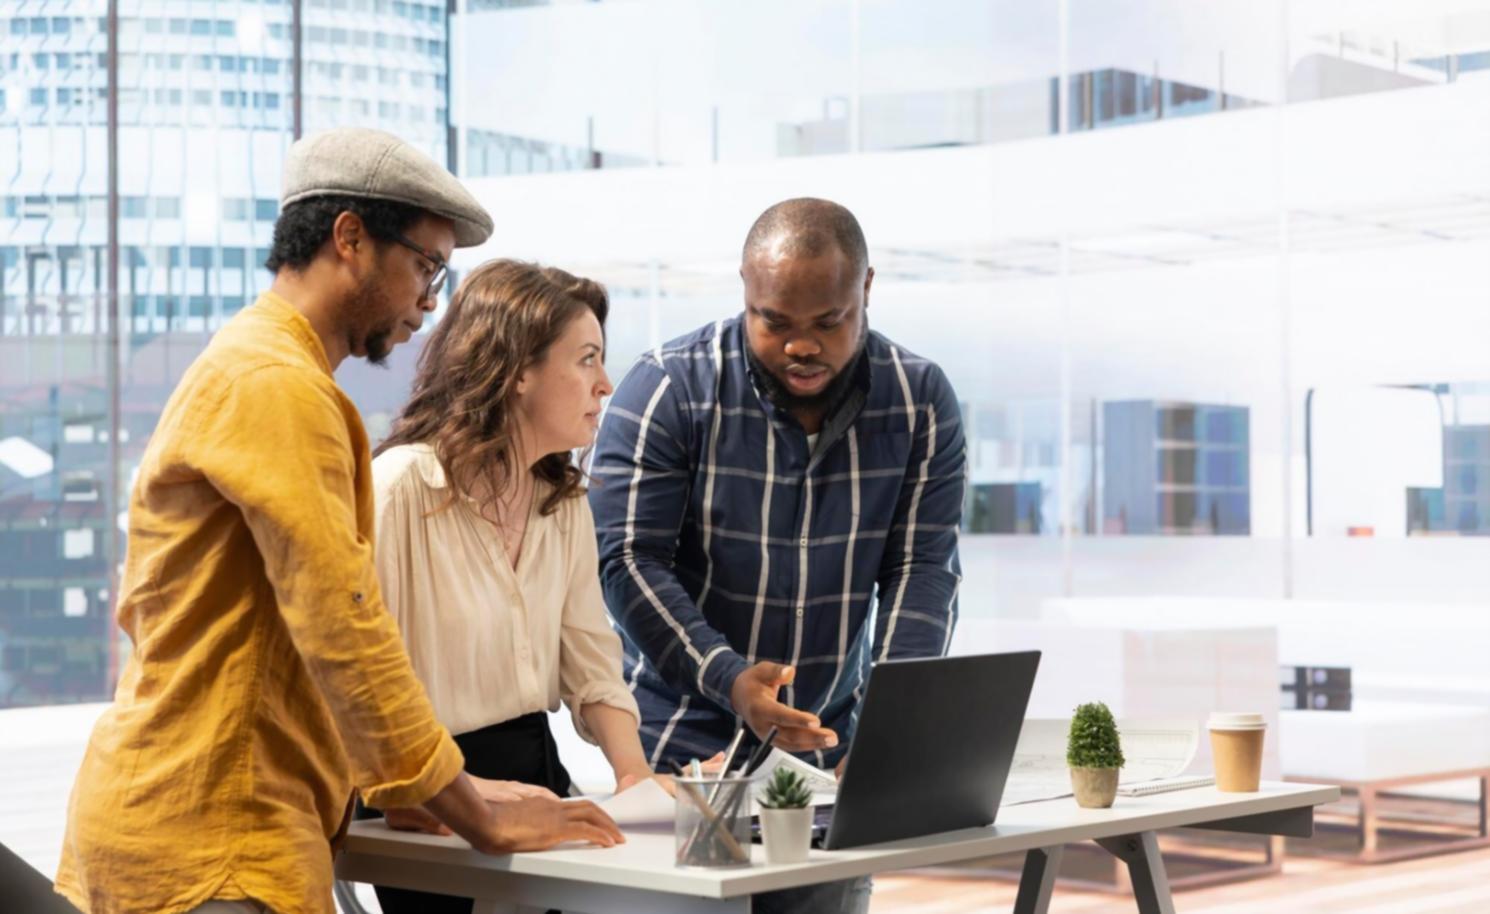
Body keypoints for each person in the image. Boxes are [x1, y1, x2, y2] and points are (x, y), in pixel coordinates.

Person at [55, 128, 620, 914]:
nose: (431, 299)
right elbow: (344, 626)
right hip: (217, 836)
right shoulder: (276, 385)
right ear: (350, 238)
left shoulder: (258, 367)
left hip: (207, 819)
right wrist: (474, 809)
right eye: (425, 265)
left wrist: (420, 786)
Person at [589, 197, 967, 913]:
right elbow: (629, 563)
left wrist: (891, 739)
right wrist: (732, 681)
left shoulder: (918, 400)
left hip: (828, 764)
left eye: (829, 322)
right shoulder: (668, 387)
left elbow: (922, 572)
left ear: (866, 291)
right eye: (776, 323)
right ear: (744, 291)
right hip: (683, 760)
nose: (803, 347)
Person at [364, 259, 659, 914]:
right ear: (519, 370)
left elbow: (592, 665)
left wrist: (634, 775)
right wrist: (442, 792)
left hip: (534, 771)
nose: (605, 384)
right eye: (586, 360)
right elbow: (356, 690)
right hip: (429, 796)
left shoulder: (562, 503)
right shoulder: (400, 491)